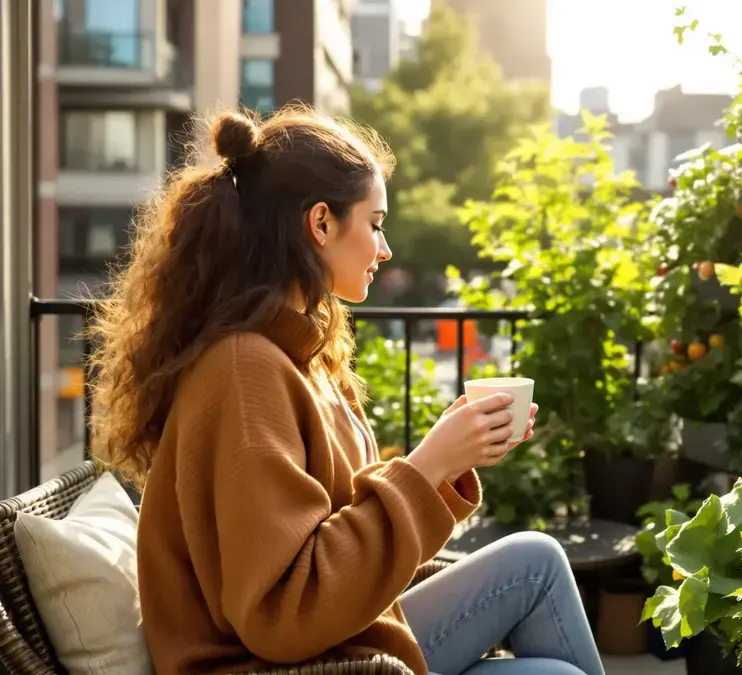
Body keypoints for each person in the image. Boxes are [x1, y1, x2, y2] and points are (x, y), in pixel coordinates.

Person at [88, 105, 605, 675]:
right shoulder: (245, 370)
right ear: (321, 224)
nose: (385, 249)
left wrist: (448, 455)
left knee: (537, 561)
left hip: (338, 638)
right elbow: (284, 611)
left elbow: (337, 528)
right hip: (276, 662)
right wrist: (429, 464)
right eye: (376, 223)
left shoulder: (297, 353)